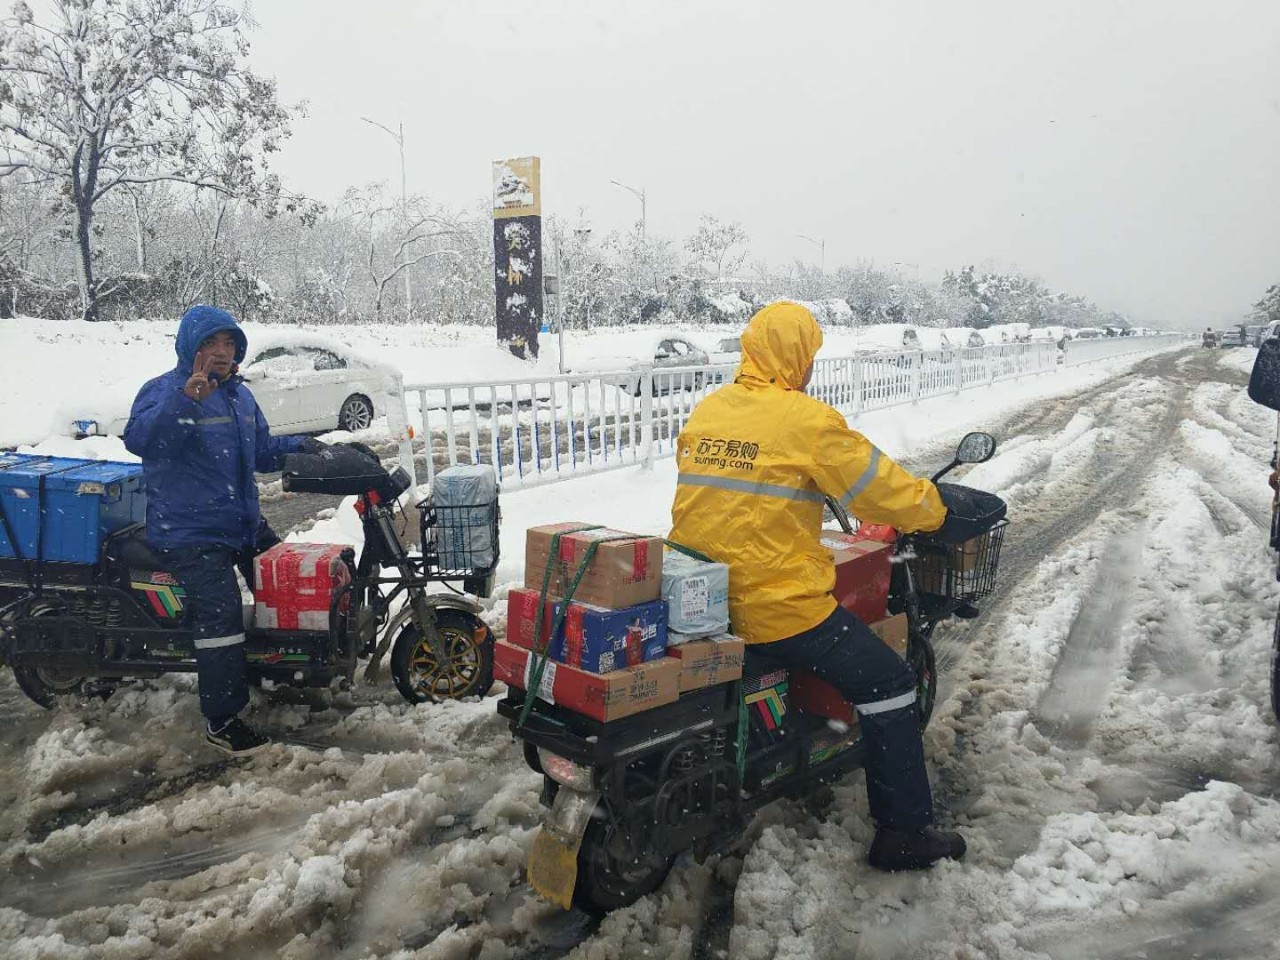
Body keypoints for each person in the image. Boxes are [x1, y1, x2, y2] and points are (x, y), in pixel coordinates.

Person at [669, 301, 966, 871]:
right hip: (775, 609)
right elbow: (876, 488)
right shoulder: (804, 420)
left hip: (701, 599)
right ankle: (903, 832)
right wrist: (933, 510)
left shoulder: (711, 409)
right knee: (891, 682)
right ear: (797, 357)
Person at [124, 305, 323, 755]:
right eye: (209, 342)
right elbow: (143, 442)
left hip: (242, 524)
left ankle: (272, 669)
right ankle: (222, 718)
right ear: (189, 347)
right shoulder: (164, 391)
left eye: (228, 343)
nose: (220, 352)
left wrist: (307, 447)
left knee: (285, 585)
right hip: (190, 533)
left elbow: (263, 450)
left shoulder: (239, 396)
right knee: (221, 616)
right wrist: (186, 401)